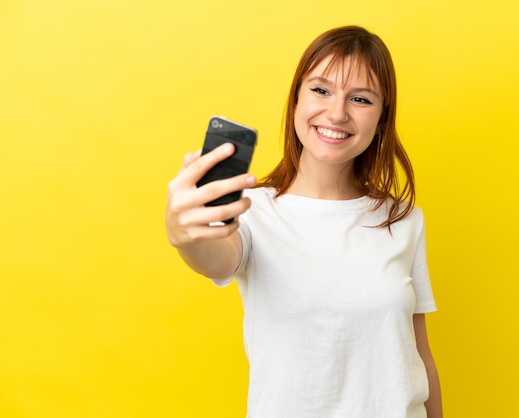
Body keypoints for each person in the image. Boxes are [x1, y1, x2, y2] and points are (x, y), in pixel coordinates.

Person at [165, 25, 443, 418]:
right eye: (321, 90)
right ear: (296, 101)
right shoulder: (253, 213)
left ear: (382, 119)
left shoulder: (404, 220)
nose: (337, 112)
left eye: (360, 98)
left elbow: (420, 357)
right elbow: (215, 256)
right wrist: (184, 235)